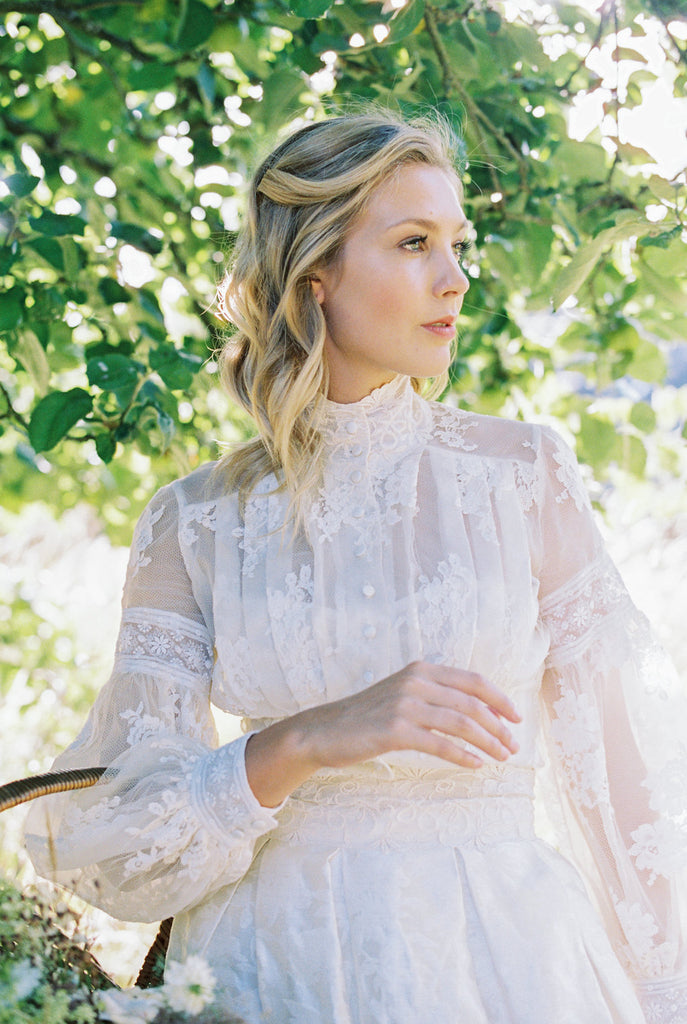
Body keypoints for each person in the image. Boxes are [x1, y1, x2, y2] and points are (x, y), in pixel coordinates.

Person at [26, 111, 687, 1023]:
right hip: (264, 971)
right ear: (315, 275)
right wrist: (301, 741)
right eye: (414, 243)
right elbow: (121, 850)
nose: (453, 279)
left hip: (500, 962)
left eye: (458, 245)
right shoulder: (193, 521)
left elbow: (631, 789)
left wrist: (665, 996)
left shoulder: (521, 477)